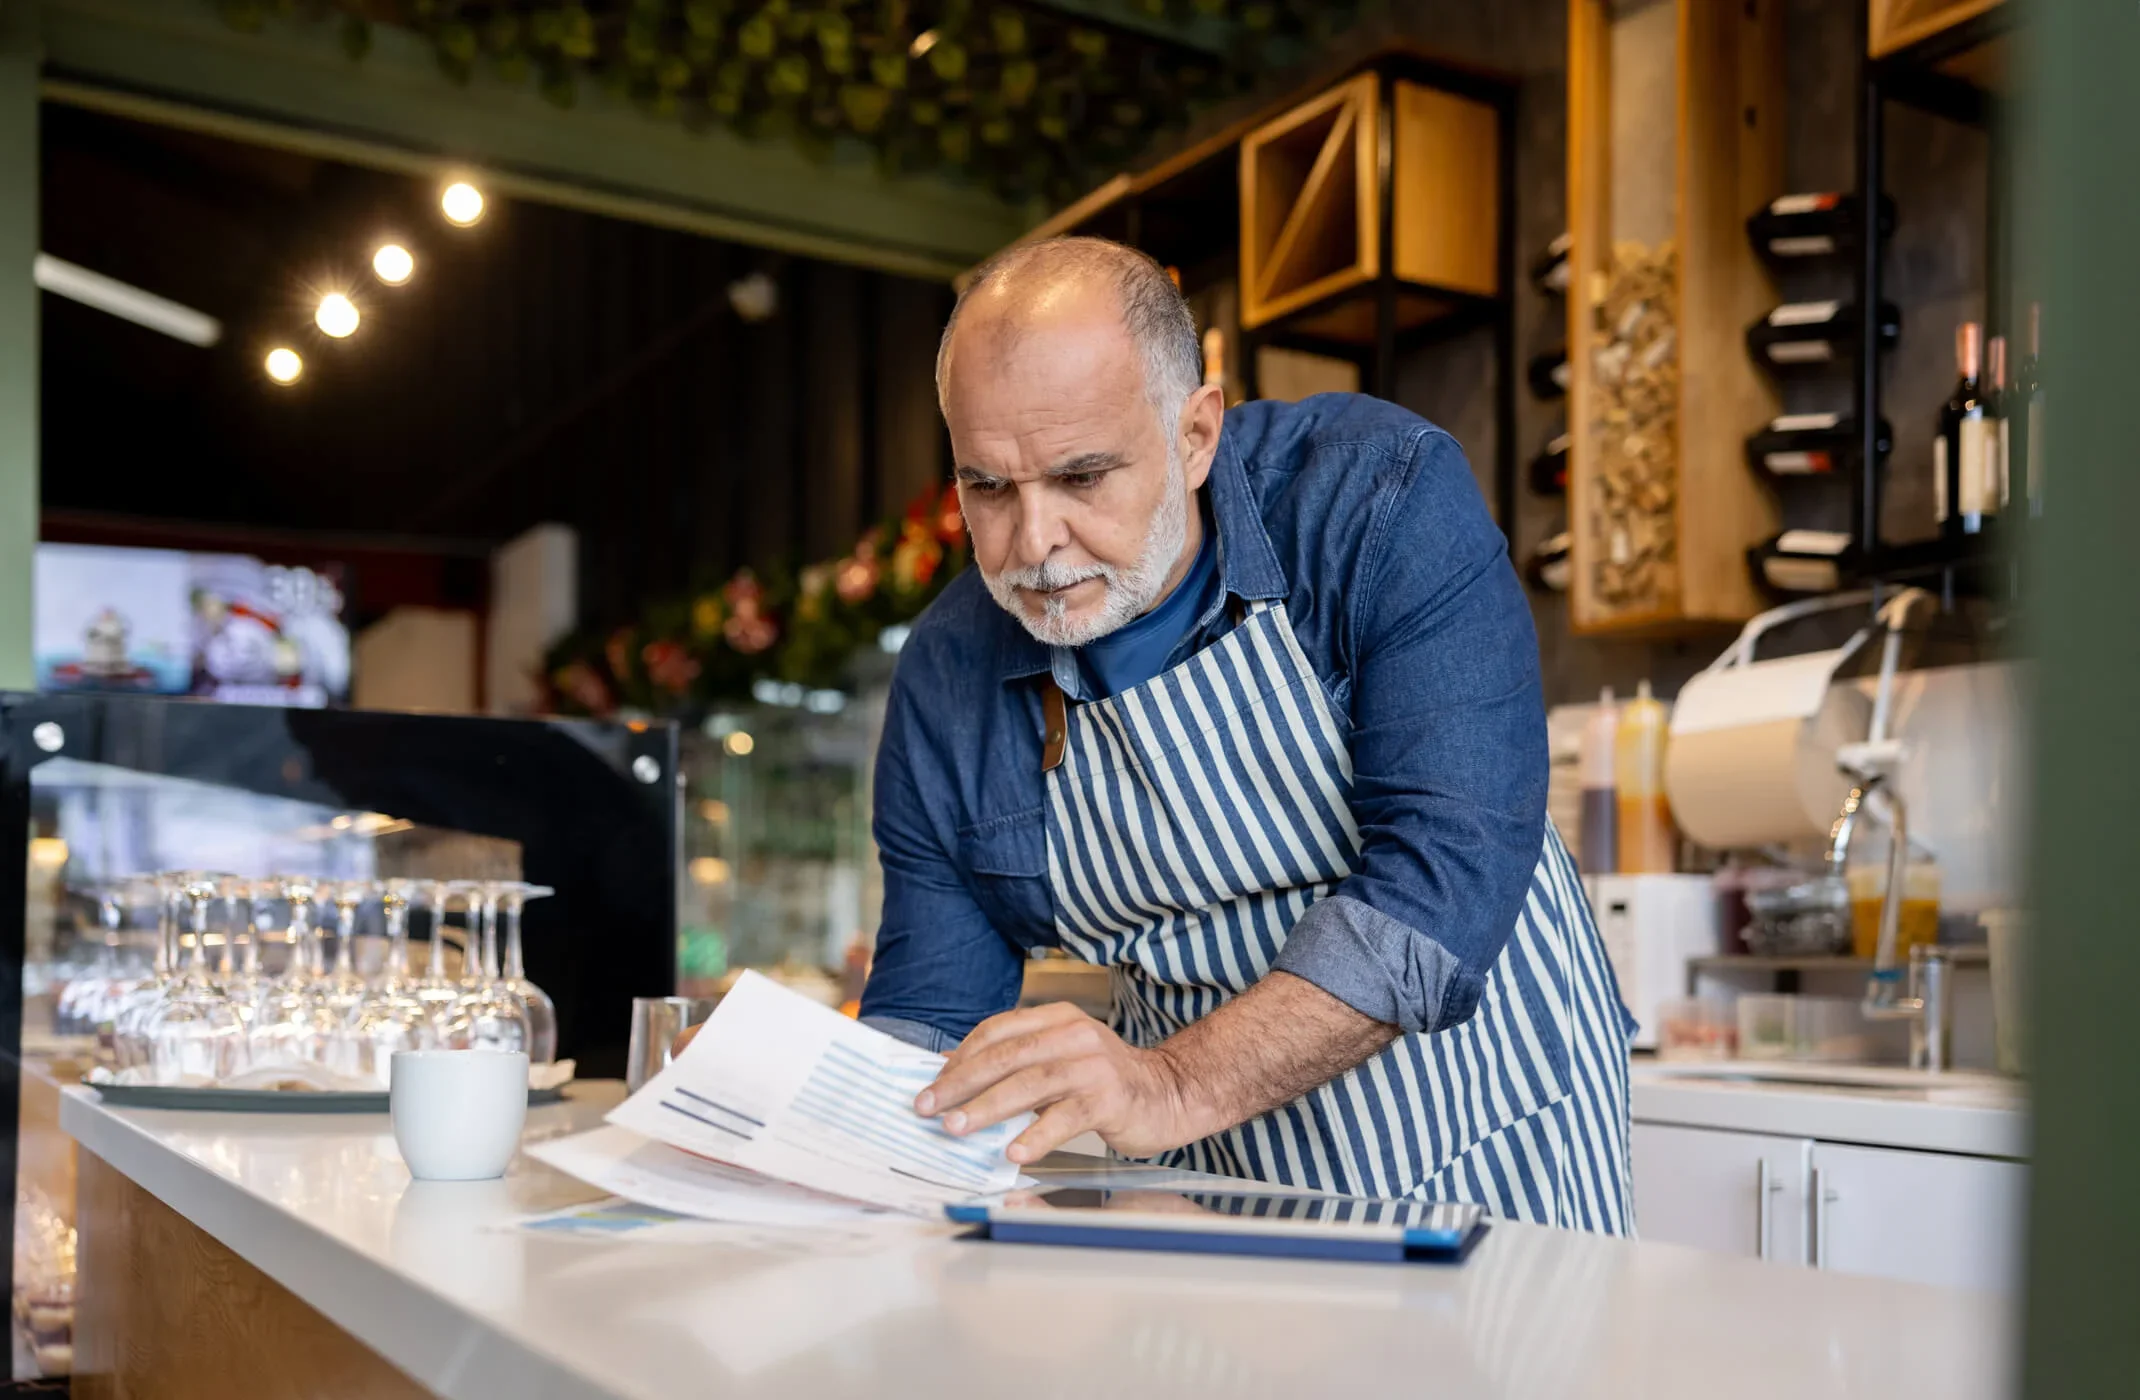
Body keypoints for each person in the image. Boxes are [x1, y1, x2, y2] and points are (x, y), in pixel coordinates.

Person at [869, 236, 1631, 1231]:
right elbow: (933, 1016)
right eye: (989, 488)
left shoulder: (1377, 499)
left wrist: (1173, 1085)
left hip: (1490, 1137)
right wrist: (834, 1146)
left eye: (1082, 476)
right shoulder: (950, 672)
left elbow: (1443, 875)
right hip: (1213, 1185)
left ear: (1194, 434)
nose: (1034, 543)